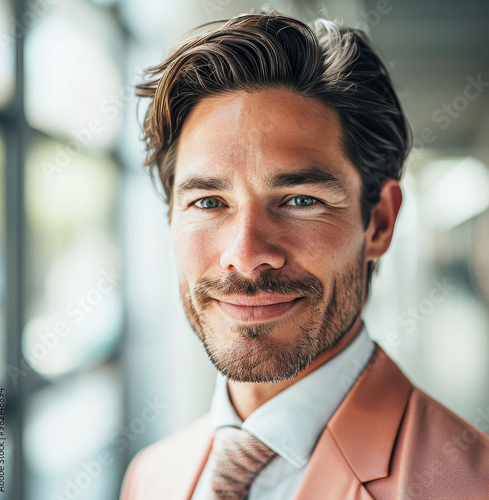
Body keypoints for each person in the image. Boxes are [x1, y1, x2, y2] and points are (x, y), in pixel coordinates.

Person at [120, 11, 489, 500]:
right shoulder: (152, 477)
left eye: (300, 201)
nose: (246, 256)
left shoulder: (466, 486)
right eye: (208, 202)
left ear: (378, 222)